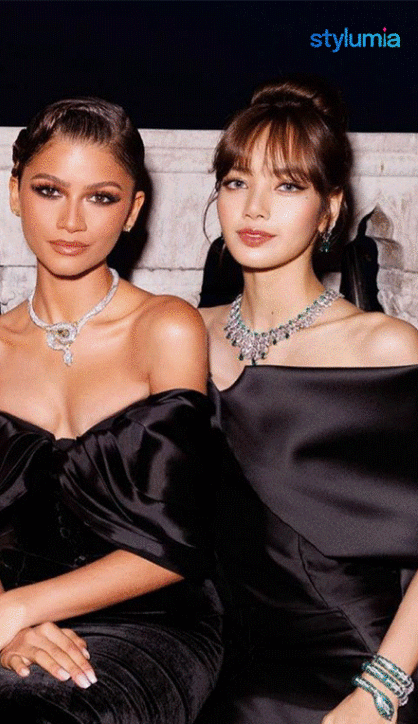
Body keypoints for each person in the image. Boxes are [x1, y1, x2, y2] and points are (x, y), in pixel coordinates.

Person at [0, 98, 222, 723]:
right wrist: (8, 626)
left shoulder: (167, 328)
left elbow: (174, 544)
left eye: (101, 198)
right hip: (4, 612)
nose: (72, 220)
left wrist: (17, 611)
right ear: (15, 192)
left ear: (133, 211)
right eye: (49, 190)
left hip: (153, 612)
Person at [197, 78, 418, 724]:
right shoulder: (181, 335)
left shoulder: (385, 348)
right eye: (237, 181)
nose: (254, 207)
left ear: (329, 210)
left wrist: (379, 692)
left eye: (288, 186)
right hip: (216, 668)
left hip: (356, 672)